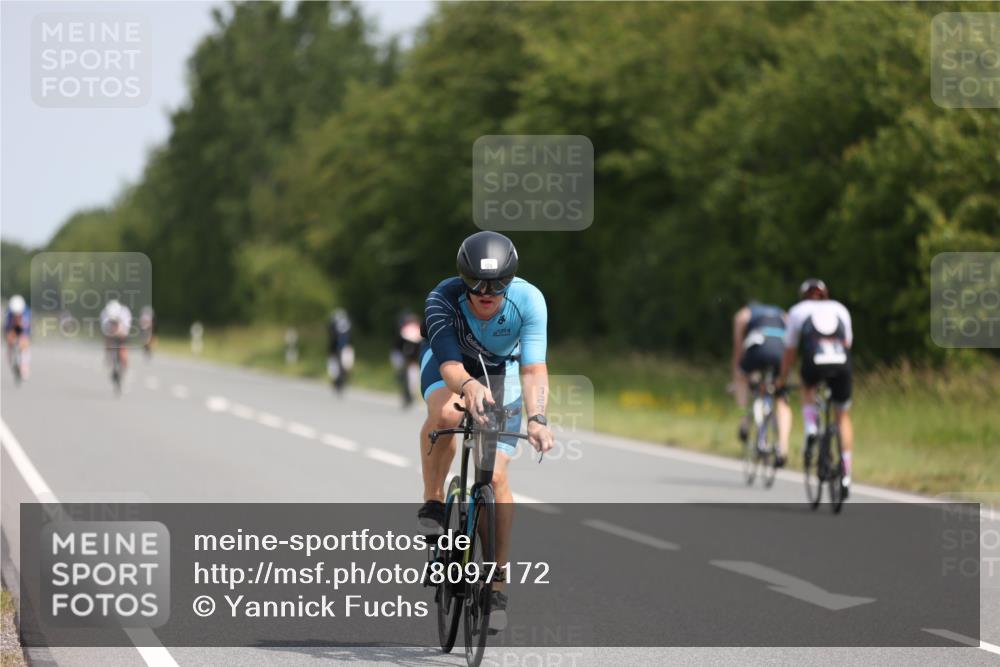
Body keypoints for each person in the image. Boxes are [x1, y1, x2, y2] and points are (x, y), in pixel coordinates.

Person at [418, 230, 555, 633]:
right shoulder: (442, 299)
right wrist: (468, 386)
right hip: (451, 365)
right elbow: (448, 367)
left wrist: (538, 417)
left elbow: (532, 368)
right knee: (445, 414)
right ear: (463, 277)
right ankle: (433, 502)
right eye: (477, 283)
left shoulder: (529, 300)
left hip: (504, 370)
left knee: (494, 475)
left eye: (497, 284)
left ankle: (497, 581)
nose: (487, 292)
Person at [777, 279, 855, 495]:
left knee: (807, 387)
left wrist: (782, 380)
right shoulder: (840, 308)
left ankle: (811, 428)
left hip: (814, 358)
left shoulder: (797, 310)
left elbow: (790, 351)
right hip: (841, 360)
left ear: (803, 296)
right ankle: (846, 473)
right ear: (825, 295)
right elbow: (848, 343)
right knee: (843, 416)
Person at [730, 301, 791, 466]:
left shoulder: (745, 313)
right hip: (780, 349)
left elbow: (738, 348)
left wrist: (737, 373)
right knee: (781, 399)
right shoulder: (782, 313)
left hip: (758, 347)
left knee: (741, 378)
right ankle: (783, 447)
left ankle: (743, 421)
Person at [391, 311, 423, 407]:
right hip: (400, 354)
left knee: (413, 376)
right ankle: (405, 389)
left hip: (412, 358)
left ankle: (411, 394)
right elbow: (398, 348)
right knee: (402, 372)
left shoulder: (417, 332)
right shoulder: (402, 332)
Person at [100, 299, 133, 376]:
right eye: (112, 320)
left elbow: (125, 332)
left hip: (122, 331)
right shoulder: (104, 314)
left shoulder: (125, 313)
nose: (113, 321)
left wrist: (119, 333)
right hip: (110, 332)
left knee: (122, 348)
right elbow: (106, 334)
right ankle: (108, 357)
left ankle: (124, 364)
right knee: (108, 341)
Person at [4, 295, 31, 380]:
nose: (16, 315)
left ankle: (24, 366)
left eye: (18, 314)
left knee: (24, 345)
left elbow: (26, 330)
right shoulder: (9, 313)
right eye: (15, 314)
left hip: (23, 329)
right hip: (12, 328)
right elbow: (7, 329)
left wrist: (22, 339)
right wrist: (10, 339)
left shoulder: (27, 313)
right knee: (10, 342)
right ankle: (10, 357)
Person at [327, 308, 353, 394]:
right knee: (342, 367)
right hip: (343, 348)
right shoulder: (346, 323)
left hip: (338, 349)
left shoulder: (333, 324)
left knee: (338, 367)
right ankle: (340, 382)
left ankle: (339, 382)